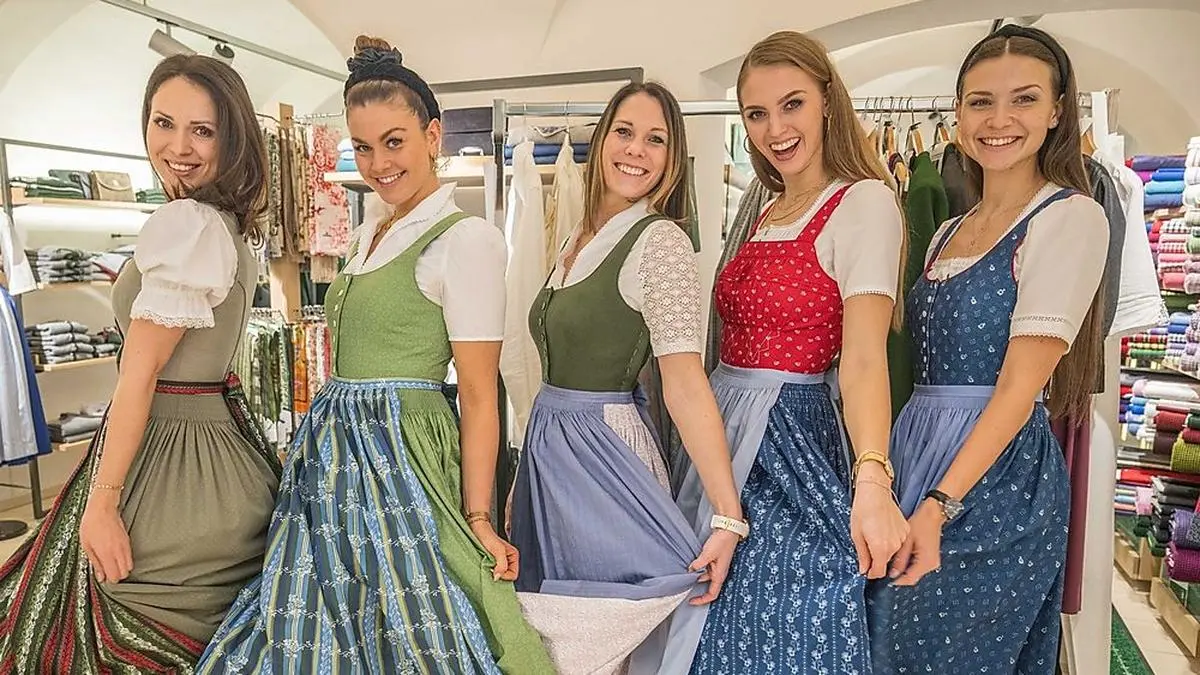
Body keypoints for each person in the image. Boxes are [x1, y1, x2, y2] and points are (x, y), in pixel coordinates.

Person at [196, 37, 553, 674]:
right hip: (332, 452)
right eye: (363, 146)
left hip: (401, 451)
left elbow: (476, 393)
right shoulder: (367, 231)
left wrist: (478, 513)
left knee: (415, 615)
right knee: (322, 610)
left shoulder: (464, 240)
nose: (378, 163)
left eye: (394, 141)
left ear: (433, 135)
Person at [0, 54, 280, 672]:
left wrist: (101, 502)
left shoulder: (187, 223)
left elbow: (141, 375)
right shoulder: (227, 223)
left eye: (202, 130)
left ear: (231, 138)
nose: (177, 146)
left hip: (173, 467)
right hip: (220, 454)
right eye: (164, 122)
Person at [658, 30, 910, 674]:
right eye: (757, 113)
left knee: (787, 628)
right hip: (719, 436)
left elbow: (862, 360)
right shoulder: (767, 208)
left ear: (828, 101)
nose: (775, 128)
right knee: (701, 625)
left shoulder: (865, 203)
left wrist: (872, 479)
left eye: (792, 104)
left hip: (789, 438)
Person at [866, 25, 1109, 674]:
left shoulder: (1070, 217)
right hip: (916, 447)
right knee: (883, 647)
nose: (999, 119)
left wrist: (939, 505)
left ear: (1058, 111)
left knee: (940, 653)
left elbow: (1016, 387)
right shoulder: (947, 230)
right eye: (980, 101)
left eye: (1024, 99)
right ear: (958, 111)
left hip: (993, 480)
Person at [507, 81, 746, 673]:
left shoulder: (660, 242)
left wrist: (726, 514)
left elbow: (686, 383)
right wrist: (522, 473)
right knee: (559, 637)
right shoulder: (577, 236)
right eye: (625, 132)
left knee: (598, 638)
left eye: (656, 139)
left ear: (671, 157)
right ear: (603, 137)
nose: (636, 150)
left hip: (603, 453)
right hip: (552, 451)